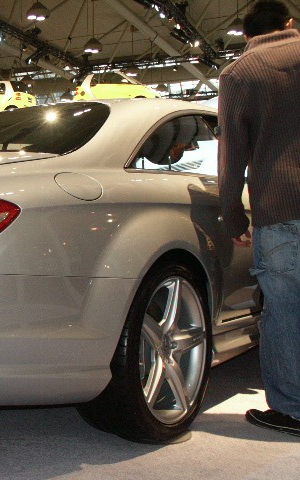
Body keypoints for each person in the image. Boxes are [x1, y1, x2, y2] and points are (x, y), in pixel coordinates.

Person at [218, 0, 300, 437]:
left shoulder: (240, 73)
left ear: (246, 35)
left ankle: (292, 411)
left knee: (285, 312)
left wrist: (233, 216)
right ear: (290, 23)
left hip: (283, 207)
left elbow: (232, 155)